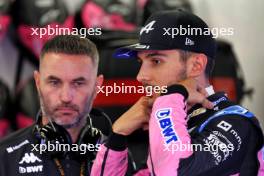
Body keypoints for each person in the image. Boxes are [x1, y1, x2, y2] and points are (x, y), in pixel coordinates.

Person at [91, 10, 264, 175]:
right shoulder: (175, 120)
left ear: (196, 65)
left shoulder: (236, 123)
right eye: (140, 62)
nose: (140, 76)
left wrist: (173, 93)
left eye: (156, 61)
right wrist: (117, 136)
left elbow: (174, 171)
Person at [0, 35, 107, 176]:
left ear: (96, 86)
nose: (66, 97)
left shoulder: (114, 155)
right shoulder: (4, 156)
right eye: (54, 82)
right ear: (38, 83)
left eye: (78, 83)